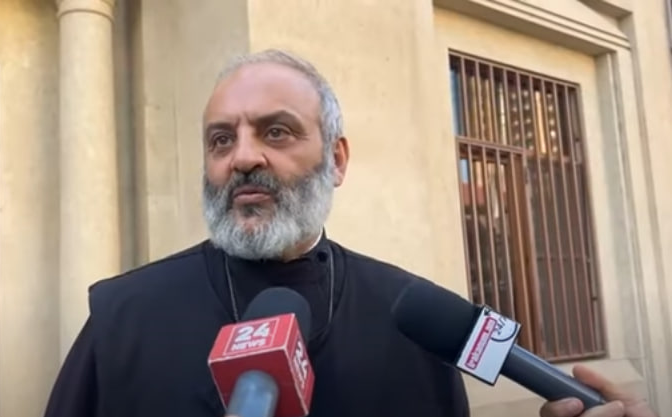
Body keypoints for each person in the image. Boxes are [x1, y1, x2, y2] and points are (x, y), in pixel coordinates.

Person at [42, 48, 656, 417]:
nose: (243, 157)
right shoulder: (123, 315)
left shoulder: (414, 321)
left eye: (276, 131)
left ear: (336, 160)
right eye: (221, 140)